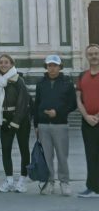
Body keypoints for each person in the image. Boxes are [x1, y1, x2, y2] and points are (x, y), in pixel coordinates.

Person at [33, 54, 77, 195]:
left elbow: (73, 104)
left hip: (60, 124)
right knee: (47, 156)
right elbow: (37, 104)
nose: (52, 68)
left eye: (55, 65)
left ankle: (64, 182)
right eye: (49, 65)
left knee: (62, 155)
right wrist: (36, 125)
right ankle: (49, 182)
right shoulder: (41, 83)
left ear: (60, 67)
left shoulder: (67, 83)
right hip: (43, 125)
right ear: (46, 67)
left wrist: (57, 112)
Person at [0, 53, 31, 192]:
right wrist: (2, 118)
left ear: (11, 64)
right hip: (4, 118)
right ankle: (9, 180)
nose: (3, 64)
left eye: (6, 62)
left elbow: (23, 102)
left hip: (21, 119)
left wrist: (15, 122)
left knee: (24, 149)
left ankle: (22, 180)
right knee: (6, 149)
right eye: (1, 62)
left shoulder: (18, 80)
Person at [76, 43, 99, 197]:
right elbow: (78, 99)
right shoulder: (81, 75)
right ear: (86, 56)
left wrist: (97, 116)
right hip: (87, 122)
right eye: (90, 54)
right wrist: (86, 116)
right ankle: (92, 187)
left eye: (96, 53)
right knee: (90, 155)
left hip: (96, 118)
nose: (94, 56)